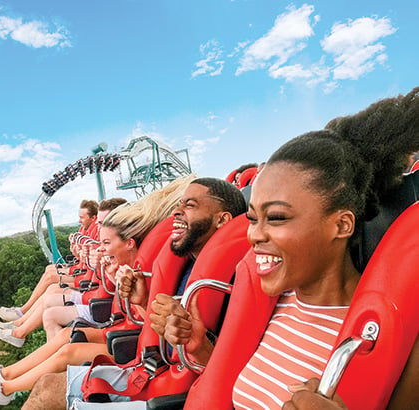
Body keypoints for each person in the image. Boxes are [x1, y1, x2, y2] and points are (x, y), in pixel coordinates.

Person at [161, 87, 419, 409]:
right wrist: (199, 346)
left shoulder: (399, 339)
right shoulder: (272, 303)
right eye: (253, 218)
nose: (254, 235)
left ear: (341, 225)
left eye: (277, 217)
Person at [0, 177, 192, 406]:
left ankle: (9, 378)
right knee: (61, 327)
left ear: (129, 241)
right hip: (126, 330)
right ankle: (8, 372)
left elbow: (135, 313)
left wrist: (106, 274)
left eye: (103, 232)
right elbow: (126, 305)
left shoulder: (153, 265)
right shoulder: (135, 261)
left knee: (60, 334)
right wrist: (103, 270)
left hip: (134, 344)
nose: (98, 239)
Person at [21, 177, 248, 410]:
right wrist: (141, 301)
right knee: (45, 384)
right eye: (178, 204)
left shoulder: (231, 282)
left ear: (223, 219)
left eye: (189, 205)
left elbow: (230, 369)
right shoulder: (183, 265)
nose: (177, 212)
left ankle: (5, 383)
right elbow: (155, 327)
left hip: (180, 394)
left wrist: (196, 342)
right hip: (153, 368)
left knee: (48, 396)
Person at [0, 199, 124, 347]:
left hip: (95, 296)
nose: (80, 220)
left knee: (50, 290)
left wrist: (91, 262)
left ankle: (20, 322)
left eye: (82, 217)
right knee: (50, 283)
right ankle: (19, 320)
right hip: (92, 289)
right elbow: (98, 274)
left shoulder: (111, 241)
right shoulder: (97, 237)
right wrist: (81, 255)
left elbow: (101, 281)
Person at [0, 199, 100, 324]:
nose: (79, 221)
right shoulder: (87, 230)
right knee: (49, 269)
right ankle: (21, 314)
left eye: (82, 217)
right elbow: (84, 261)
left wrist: (82, 255)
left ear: (93, 218)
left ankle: (21, 314)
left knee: (50, 279)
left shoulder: (98, 233)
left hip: (85, 278)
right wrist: (77, 251)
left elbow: (93, 267)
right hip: (84, 273)